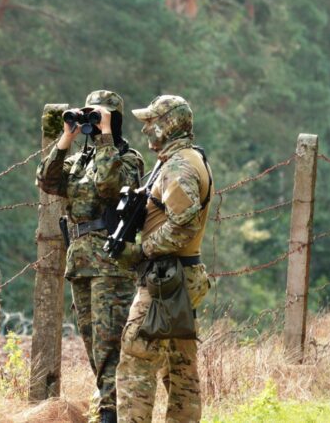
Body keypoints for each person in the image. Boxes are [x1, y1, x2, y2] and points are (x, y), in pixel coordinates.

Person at [36, 90, 144, 423]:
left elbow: (111, 187)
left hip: (111, 263)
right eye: (91, 117)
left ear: (115, 120)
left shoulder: (128, 158)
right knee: (92, 347)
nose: (94, 124)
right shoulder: (79, 161)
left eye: (100, 116)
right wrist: (66, 138)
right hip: (81, 262)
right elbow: (47, 180)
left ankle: (111, 414)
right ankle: (111, 407)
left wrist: (107, 135)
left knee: (110, 346)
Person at [115, 95, 213, 423]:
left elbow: (183, 227)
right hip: (181, 276)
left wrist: (142, 250)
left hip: (167, 280)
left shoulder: (179, 166)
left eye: (151, 123)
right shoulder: (186, 159)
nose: (146, 131)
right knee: (180, 367)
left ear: (168, 125)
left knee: (136, 360)